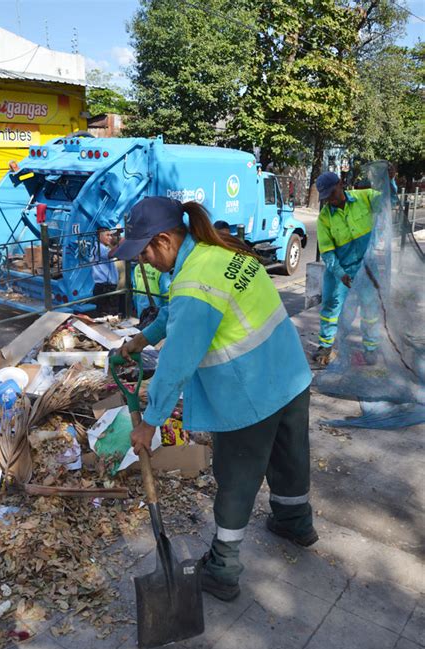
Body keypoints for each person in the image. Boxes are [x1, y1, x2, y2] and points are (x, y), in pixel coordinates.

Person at [111, 196, 317, 602]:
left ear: (165, 240)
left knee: (236, 479)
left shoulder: (193, 281)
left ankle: (223, 569)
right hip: (289, 373)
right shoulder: (215, 251)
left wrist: (150, 422)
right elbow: (179, 314)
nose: (144, 263)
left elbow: (176, 364)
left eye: (144, 252)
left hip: (250, 393)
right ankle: (296, 523)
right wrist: (142, 337)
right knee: (290, 456)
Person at [313, 172, 382, 366]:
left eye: (332, 193)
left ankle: (371, 347)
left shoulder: (364, 197)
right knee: (331, 306)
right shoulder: (324, 218)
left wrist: (389, 180)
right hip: (339, 270)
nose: (330, 200)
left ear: (341, 184)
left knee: (370, 307)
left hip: (367, 267)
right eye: (326, 197)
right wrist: (341, 274)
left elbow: (387, 199)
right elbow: (327, 252)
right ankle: (325, 346)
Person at [92, 227, 121, 315]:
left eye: (111, 235)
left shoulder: (102, 247)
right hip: (104, 287)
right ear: (99, 236)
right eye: (107, 235)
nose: (110, 237)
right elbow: (111, 254)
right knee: (107, 314)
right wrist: (122, 242)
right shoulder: (99, 248)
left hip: (106, 286)